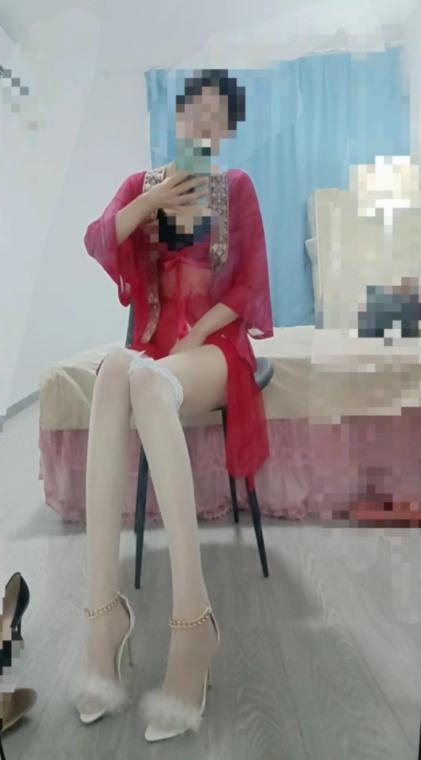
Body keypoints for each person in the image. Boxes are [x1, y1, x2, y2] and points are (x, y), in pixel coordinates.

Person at [70, 69, 274, 742]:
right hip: (154, 349)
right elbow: (99, 239)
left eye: (217, 118)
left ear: (226, 131)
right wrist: (152, 199)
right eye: (196, 113)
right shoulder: (142, 185)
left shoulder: (234, 188)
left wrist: (195, 333)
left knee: (150, 382)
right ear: (178, 117)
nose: (203, 126)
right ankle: (103, 616)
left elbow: (248, 286)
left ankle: (193, 624)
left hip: (213, 347)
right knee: (114, 372)